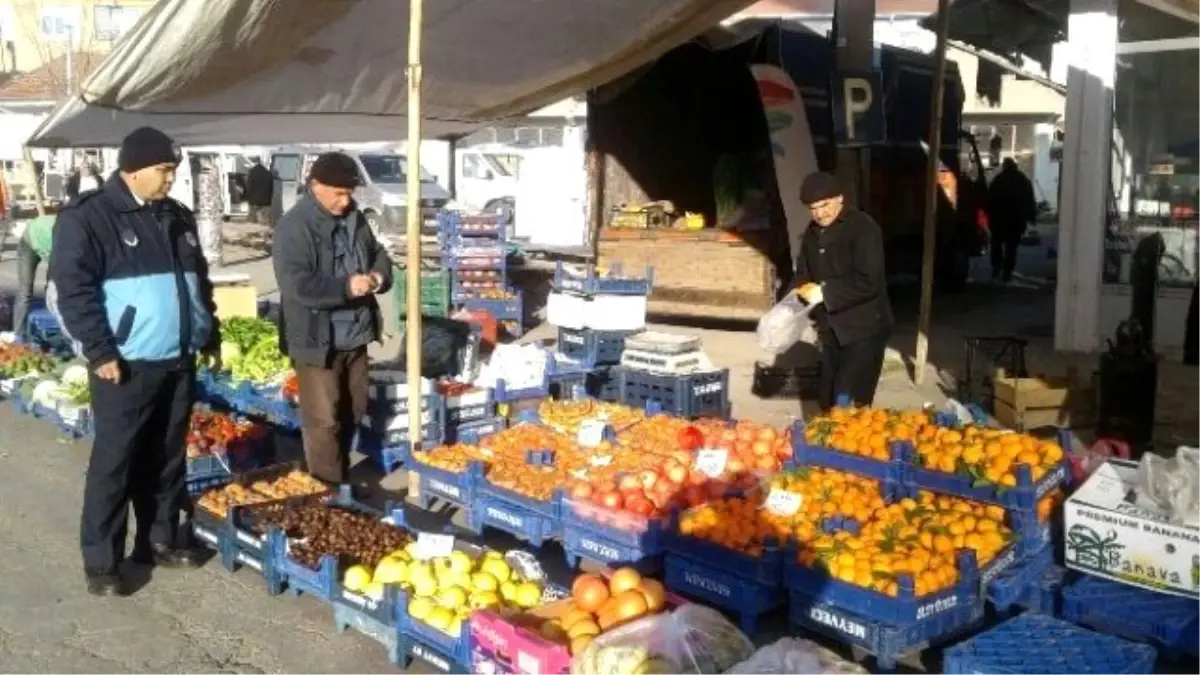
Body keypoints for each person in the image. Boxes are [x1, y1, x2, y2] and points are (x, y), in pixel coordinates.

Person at [50, 126, 219, 596]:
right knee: (116, 461)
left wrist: (210, 331)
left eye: (173, 171)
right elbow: (73, 291)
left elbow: (198, 283)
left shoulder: (176, 216)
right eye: (164, 170)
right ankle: (102, 561)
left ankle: (159, 540)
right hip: (125, 363)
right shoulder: (90, 217)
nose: (171, 180)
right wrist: (100, 349)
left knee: (167, 457)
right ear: (133, 170)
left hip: (178, 358)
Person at [272, 151, 393, 488]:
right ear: (315, 186)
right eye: (338, 192)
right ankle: (328, 491)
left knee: (353, 411)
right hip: (317, 342)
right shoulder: (294, 226)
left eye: (350, 192)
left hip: (356, 335)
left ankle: (341, 479)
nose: (345, 200)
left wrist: (378, 277)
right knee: (323, 421)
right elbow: (295, 284)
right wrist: (344, 287)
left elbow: (378, 254)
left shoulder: (355, 218)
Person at [793, 171, 893, 411]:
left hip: (864, 330)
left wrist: (826, 293)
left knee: (849, 403)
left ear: (840, 198)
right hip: (831, 330)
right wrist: (789, 304)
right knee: (827, 399)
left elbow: (870, 280)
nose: (819, 213)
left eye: (824, 205)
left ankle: (849, 447)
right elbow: (803, 274)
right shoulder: (812, 233)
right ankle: (827, 444)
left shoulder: (863, 228)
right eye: (813, 208)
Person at [986, 158, 1037, 283]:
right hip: (1015, 220)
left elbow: (990, 199)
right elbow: (1029, 200)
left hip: (999, 219)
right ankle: (1007, 271)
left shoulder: (998, 180)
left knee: (997, 244)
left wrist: (989, 217)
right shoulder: (1022, 180)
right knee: (1011, 247)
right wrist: (1031, 216)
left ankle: (997, 267)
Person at [12, 213, 56, 337]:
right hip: (29, 241)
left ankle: (51, 329)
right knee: (25, 291)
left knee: (52, 289)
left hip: (48, 243)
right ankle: (18, 335)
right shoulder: (68, 239)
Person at [245, 156, 274, 226]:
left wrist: (247, 197)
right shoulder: (268, 173)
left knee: (252, 219)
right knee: (265, 219)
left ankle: (252, 233)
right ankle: (265, 234)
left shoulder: (252, 172)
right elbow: (271, 188)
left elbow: (249, 187)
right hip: (266, 201)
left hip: (254, 201)